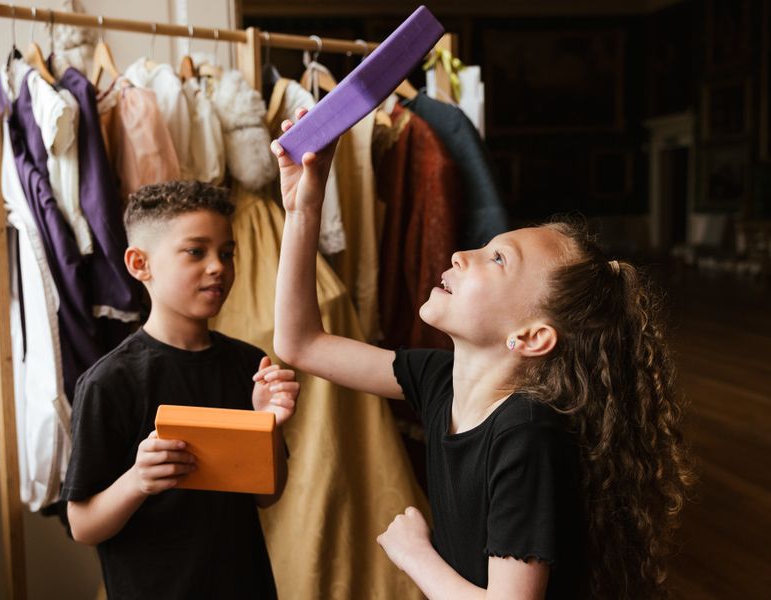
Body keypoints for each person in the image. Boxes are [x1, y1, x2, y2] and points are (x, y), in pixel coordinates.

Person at [270, 109, 693, 599]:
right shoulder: (439, 380)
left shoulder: (527, 437)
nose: (459, 255)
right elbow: (300, 342)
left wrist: (415, 554)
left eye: (497, 259)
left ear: (531, 337)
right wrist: (303, 208)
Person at [61, 180, 298, 599]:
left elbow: (267, 497)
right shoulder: (108, 382)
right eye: (196, 251)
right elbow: (82, 525)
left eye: (227, 253)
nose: (218, 267)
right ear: (140, 264)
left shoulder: (248, 365)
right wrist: (137, 481)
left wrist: (268, 426)